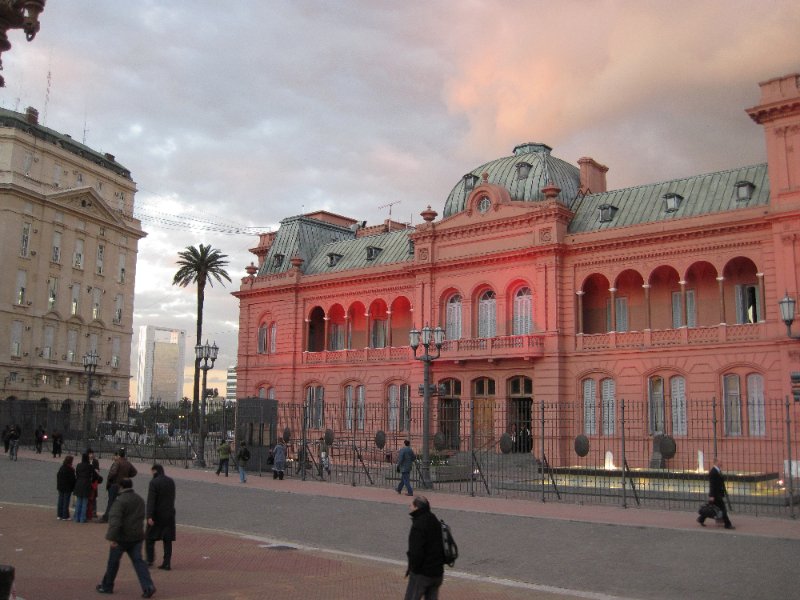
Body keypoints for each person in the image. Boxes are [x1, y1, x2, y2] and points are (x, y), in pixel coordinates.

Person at [96, 478, 156, 598]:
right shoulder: (139, 499)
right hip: (137, 536)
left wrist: (112, 538)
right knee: (139, 562)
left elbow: (115, 521)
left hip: (121, 538)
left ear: (121, 487)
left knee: (113, 562)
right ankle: (148, 586)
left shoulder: (120, 501)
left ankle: (107, 586)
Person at [404, 496, 445, 600]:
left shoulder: (418, 525)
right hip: (437, 572)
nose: (409, 507)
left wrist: (413, 569)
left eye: (411, 505)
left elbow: (416, 552)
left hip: (422, 573)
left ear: (417, 507)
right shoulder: (435, 520)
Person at [145, 464, 176, 571]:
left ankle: (149, 559)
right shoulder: (170, 481)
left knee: (149, 537)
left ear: (155, 471)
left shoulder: (154, 483)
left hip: (157, 515)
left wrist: (149, 516)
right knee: (167, 540)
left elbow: (151, 500)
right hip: (169, 514)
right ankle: (167, 562)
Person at [102, 448, 138, 522]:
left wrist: (109, 479)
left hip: (115, 484)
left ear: (118, 455)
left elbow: (113, 473)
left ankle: (107, 517)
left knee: (111, 501)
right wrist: (127, 476)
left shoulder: (117, 462)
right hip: (124, 485)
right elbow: (134, 472)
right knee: (122, 502)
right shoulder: (127, 463)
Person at [698, 457, 734, 529]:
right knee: (723, 509)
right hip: (716, 495)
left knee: (710, 507)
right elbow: (712, 484)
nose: (721, 463)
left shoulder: (717, 470)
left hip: (717, 494)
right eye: (720, 461)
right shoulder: (713, 472)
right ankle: (727, 524)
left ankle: (701, 519)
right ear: (716, 462)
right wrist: (711, 495)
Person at [73, 452, 93, 523]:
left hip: (79, 483)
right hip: (86, 483)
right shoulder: (89, 466)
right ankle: (82, 518)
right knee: (84, 502)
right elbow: (92, 475)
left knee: (78, 501)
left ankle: (76, 517)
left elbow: (77, 474)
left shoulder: (78, 465)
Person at [56, 455, 76, 520]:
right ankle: (65, 515)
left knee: (60, 500)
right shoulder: (70, 469)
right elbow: (72, 479)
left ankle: (59, 515)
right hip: (67, 488)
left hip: (60, 487)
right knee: (66, 502)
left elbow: (58, 476)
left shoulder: (61, 467)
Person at [87, 448, 103, 520]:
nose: (92, 455)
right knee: (87, 497)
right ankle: (88, 511)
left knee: (94, 497)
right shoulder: (86, 461)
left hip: (94, 482)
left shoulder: (95, 461)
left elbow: (97, 470)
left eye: (92, 453)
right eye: (90, 453)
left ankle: (94, 512)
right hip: (87, 482)